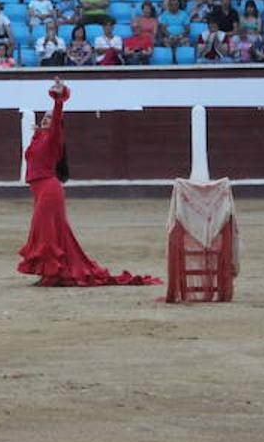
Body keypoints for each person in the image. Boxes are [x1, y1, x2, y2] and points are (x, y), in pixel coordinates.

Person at [17, 79, 162, 288]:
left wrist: (58, 101)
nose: (47, 119)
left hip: (49, 190)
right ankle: (53, 273)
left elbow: (57, 118)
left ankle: (51, 274)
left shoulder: (54, 138)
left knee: (47, 233)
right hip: (41, 191)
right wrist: (40, 130)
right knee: (50, 232)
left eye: (50, 118)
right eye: (45, 117)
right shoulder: (38, 138)